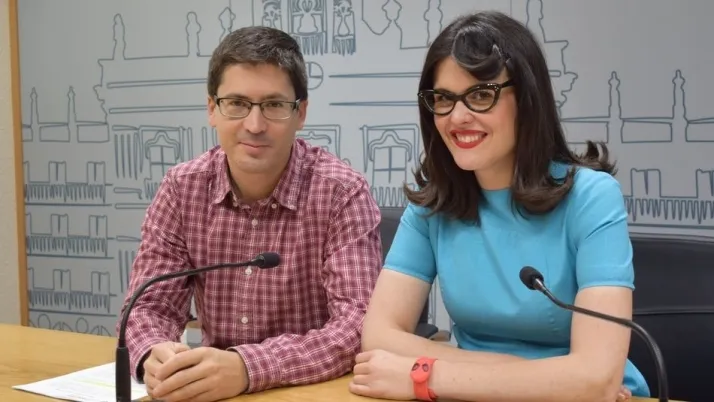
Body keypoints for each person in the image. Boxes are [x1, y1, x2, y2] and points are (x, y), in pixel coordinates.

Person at [349, 10, 650, 402]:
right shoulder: (434, 202)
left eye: (481, 95)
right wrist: (552, 379)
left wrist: (426, 376)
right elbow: (378, 337)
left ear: (526, 99)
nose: (457, 117)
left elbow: (596, 379)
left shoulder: (591, 197)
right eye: (443, 99)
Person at [116, 26, 383, 402]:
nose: (255, 125)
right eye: (237, 103)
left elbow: (358, 325)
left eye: (273, 105)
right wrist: (153, 356)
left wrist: (247, 368)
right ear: (212, 109)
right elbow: (147, 306)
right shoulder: (181, 188)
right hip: (213, 393)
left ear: (301, 113)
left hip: (310, 392)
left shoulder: (341, 191)